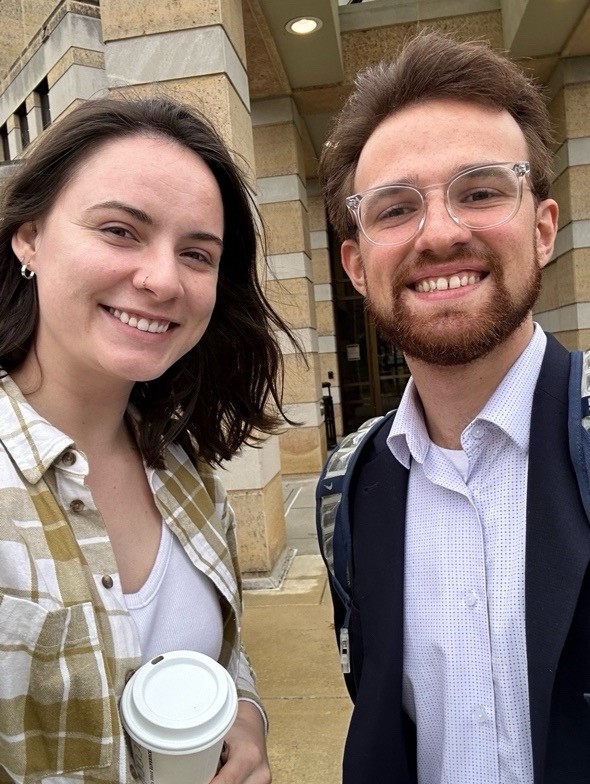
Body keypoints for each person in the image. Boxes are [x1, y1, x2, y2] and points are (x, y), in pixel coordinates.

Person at [318, 30, 590, 784]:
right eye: (396, 208)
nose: (440, 233)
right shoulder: (350, 490)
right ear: (356, 264)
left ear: (542, 228)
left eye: (480, 192)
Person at [0, 95, 295, 783]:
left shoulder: (183, 469)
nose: (162, 279)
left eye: (196, 253)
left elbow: (220, 654)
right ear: (29, 237)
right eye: (120, 231)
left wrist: (245, 719)